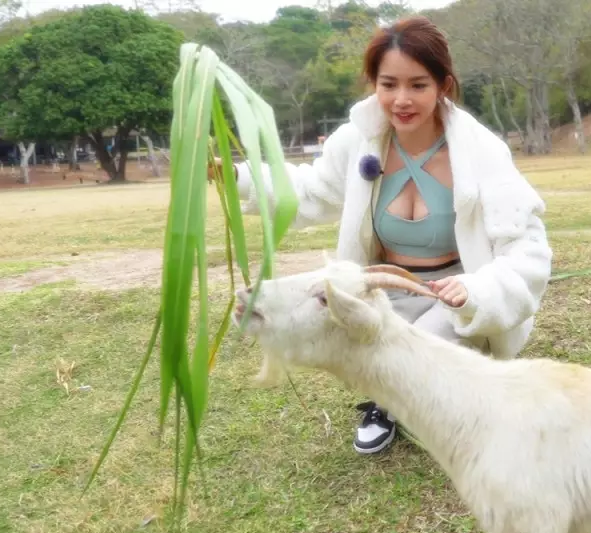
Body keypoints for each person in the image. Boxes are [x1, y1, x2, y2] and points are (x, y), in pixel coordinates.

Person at [213, 15, 552, 455]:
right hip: (380, 290)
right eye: (388, 84)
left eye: (418, 85)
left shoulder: (481, 152)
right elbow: (310, 190)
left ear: (444, 85)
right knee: (335, 321)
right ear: (373, 83)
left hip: (448, 296)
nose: (401, 100)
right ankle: (385, 400)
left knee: (423, 351)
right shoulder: (358, 140)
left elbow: (527, 249)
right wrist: (238, 176)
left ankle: (417, 395)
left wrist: (477, 291)